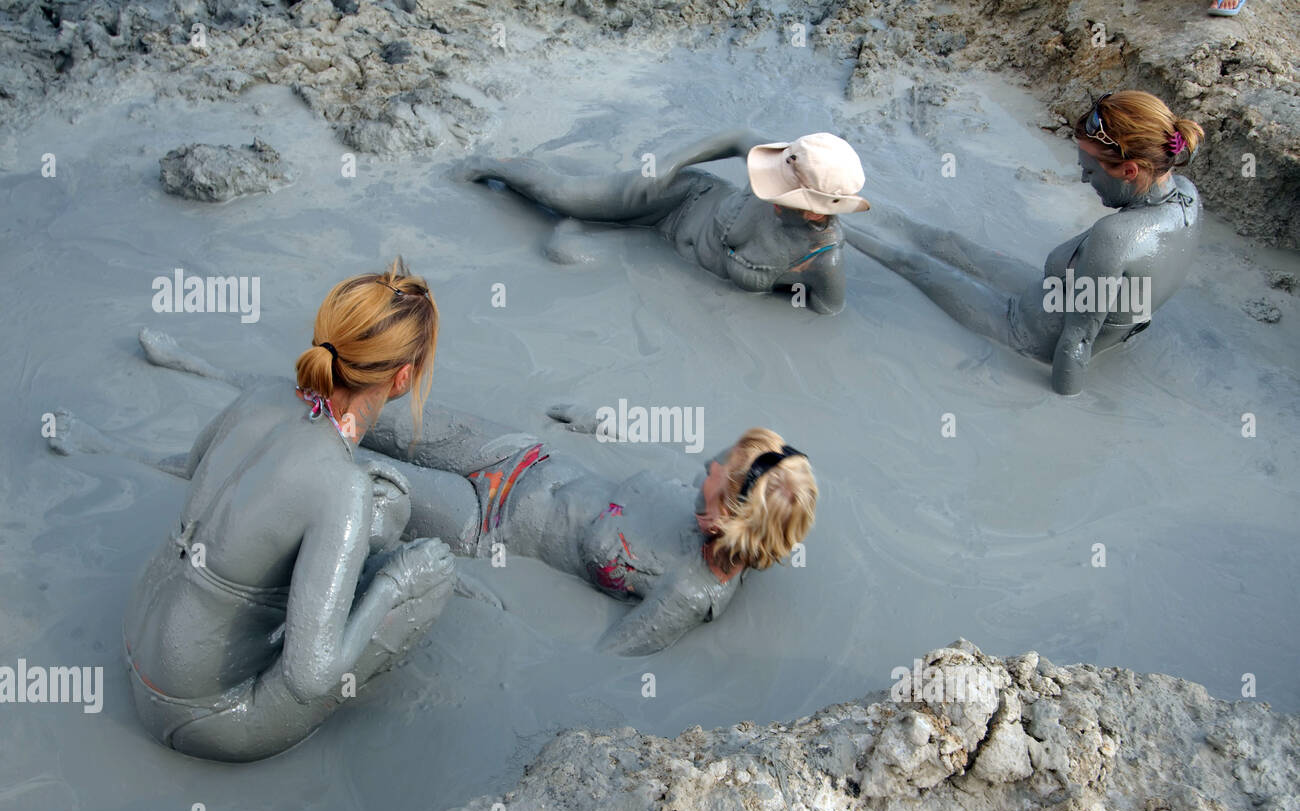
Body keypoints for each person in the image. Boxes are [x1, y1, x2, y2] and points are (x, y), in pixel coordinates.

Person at [113, 331, 819, 657]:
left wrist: (493, 608)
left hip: (486, 523)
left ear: (729, 518)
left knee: (346, 476)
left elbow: (603, 665)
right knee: (359, 406)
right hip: (513, 453)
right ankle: (213, 373)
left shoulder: (688, 593)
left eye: (717, 473)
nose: (704, 463)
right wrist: (596, 420)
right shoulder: (706, 505)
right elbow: (649, 464)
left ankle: (193, 468)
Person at [51, 260, 454, 762]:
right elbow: (310, 678)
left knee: (364, 516)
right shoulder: (340, 486)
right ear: (402, 379)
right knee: (430, 576)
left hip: (138, 641)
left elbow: (197, 468)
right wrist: (399, 582)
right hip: (202, 716)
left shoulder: (262, 394)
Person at [846, 90, 1204, 394]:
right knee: (948, 241)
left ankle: (835, 224)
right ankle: (851, 202)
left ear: (1130, 171)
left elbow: (1077, 343)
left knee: (915, 265)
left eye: (1091, 169)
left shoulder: (1115, 237)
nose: (1082, 178)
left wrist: (1062, 408)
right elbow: (1130, 306)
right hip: (1050, 297)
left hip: (1025, 333)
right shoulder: (1187, 196)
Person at [460, 130, 871, 315]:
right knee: (562, 196)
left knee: (571, 254)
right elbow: (736, 137)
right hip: (679, 198)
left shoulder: (822, 262)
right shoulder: (788, 164)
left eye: (780, 194)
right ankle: (487, 166)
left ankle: (577, 223)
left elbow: (827, 317)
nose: (768, 192)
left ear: (817, 211)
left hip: (660, 258)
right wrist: (673, 162)